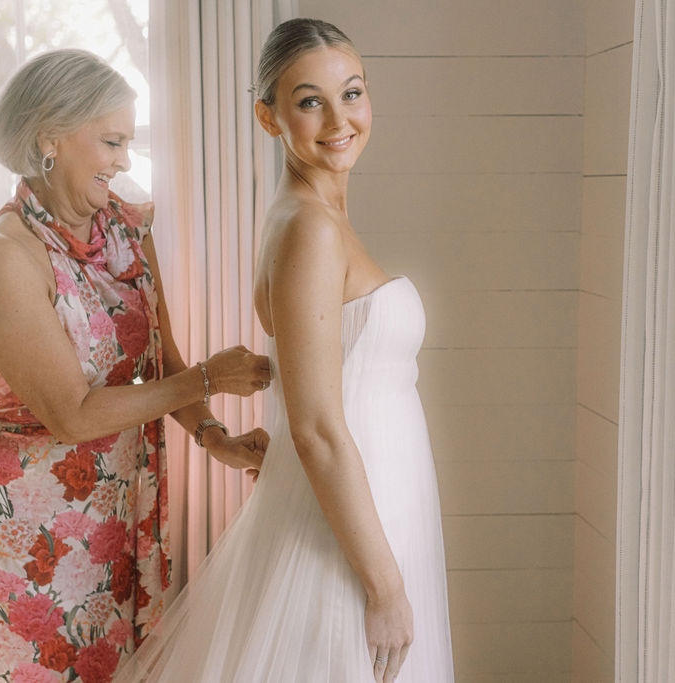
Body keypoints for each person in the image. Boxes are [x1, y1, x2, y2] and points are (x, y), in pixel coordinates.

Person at [117, 18, 454, 682]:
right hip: (344, 535)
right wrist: (384, 585)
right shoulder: (308, 230)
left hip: (377, 504)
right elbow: (316, 428)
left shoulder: (317, 219)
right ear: (268, 118)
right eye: (309, 101)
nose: (339, 118)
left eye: (351, 93)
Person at [0, 49, 272, 683]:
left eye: (128, 142)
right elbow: (72, 414)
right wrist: (209, 379)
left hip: (117, 513)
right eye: (112, 142)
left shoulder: (124, 228)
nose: (124, 160)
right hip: (21, 527)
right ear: (49, 139)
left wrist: (216, 437)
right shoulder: (0, 257)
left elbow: (161, 362)